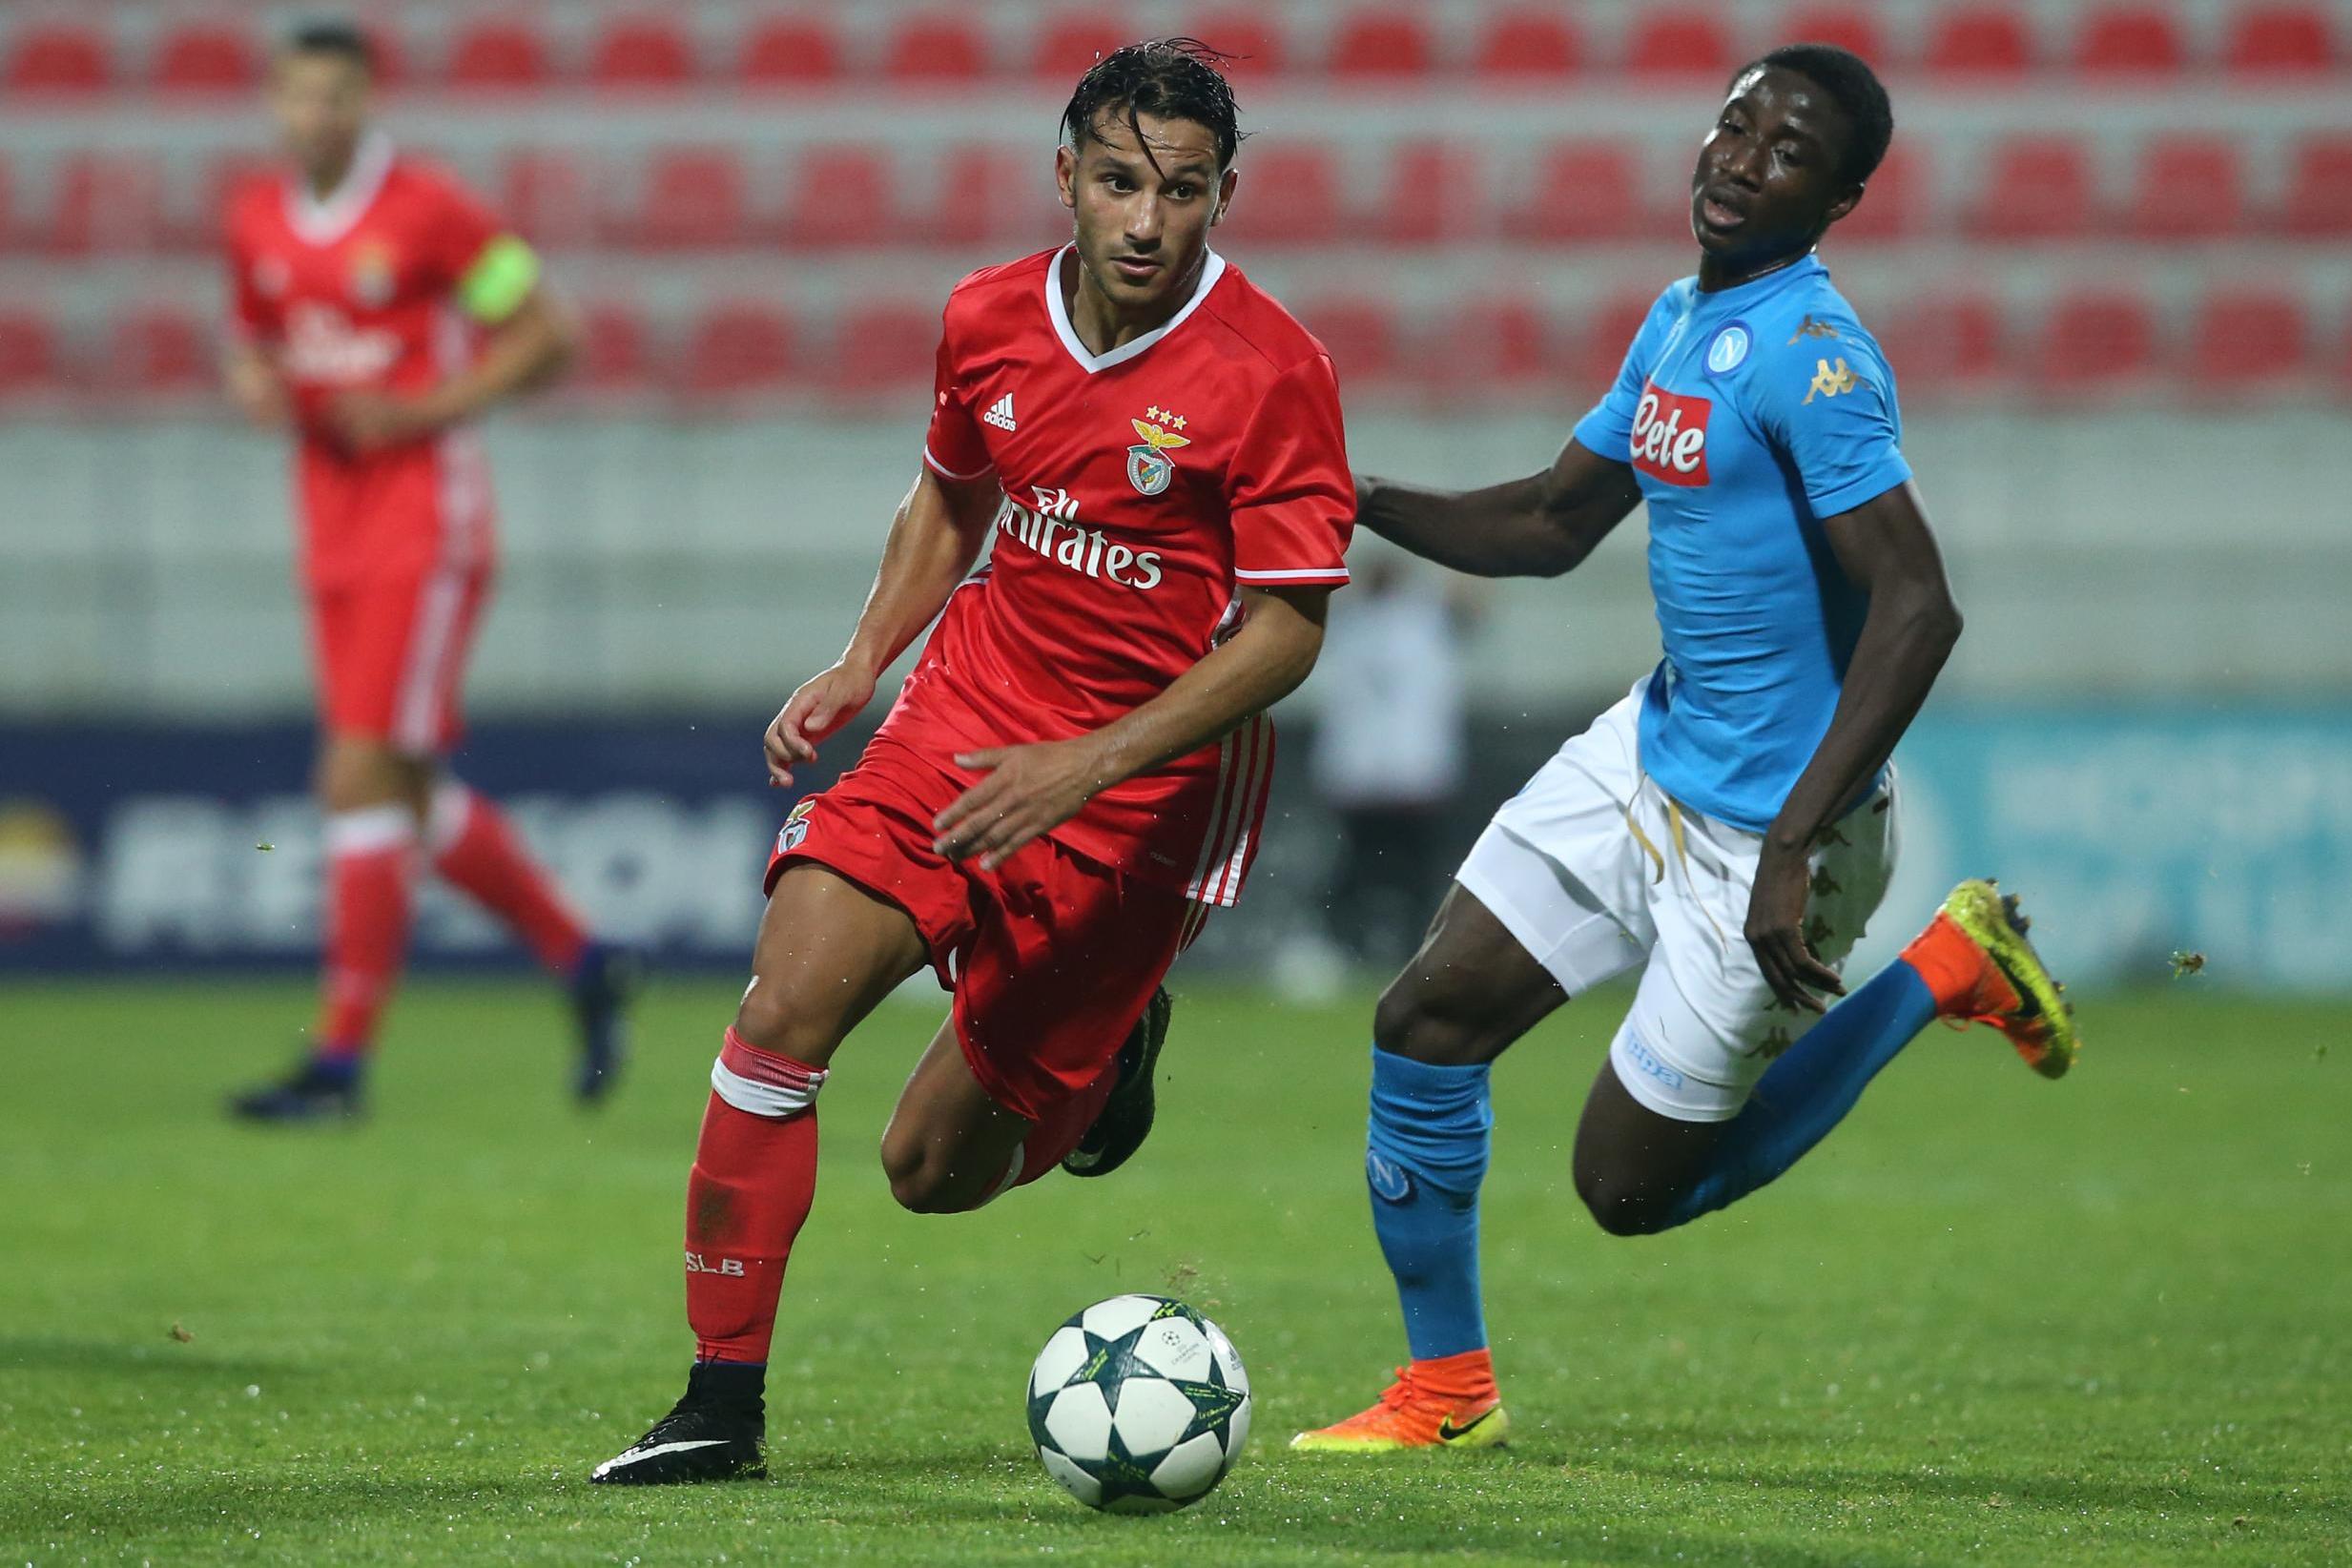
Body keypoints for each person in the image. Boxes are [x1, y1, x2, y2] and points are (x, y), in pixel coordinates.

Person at [1291, 44, 2080, 1454]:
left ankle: (1942, 969)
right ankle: (1443, 1389)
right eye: (1733, 124)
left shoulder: (1813, 355)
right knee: (1423, 1026)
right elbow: (1544, 524)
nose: (1737, 160)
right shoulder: (1676, 317)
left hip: (1779, 833)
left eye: (1785, 151)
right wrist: (1342, 496)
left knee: (1626, 1193)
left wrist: (1789, 845)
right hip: (1645, 760)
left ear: (1838, 200)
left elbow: (1917, 604)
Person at [591, 40, 1352, 1485]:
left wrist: (1086, 767)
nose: (1145, 220)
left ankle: (1110, 1052)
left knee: (928, 1176)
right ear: (1064, 172)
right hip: (960, 718)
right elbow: (950, 503)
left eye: (1181, 192)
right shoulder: (987, 316)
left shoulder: (1272, 372)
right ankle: (717, 1405)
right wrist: (863, 659)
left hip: (1141, 793)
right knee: (783, 1007)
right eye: (1120, 182)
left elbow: (1285, 637)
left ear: (1221, 197)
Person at [219, 22, 632, 1121]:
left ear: (365, 101)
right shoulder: (254, 215)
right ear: (275, 102)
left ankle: (341, 1064)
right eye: (300, 97)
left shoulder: (431, 207)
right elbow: (255, 335)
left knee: (354, 777)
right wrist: (255, 379)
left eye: (338, 96)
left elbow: (548, 332)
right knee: (402, 787)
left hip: (422, 524)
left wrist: (419, 411)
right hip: (328, 524)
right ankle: (584, 961)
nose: (319, 116)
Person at [1309, 555, 1475, 968]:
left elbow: (1472, 598)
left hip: (1414, 768)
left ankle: (1417, 949)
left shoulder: (1427, 615)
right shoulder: (1350, 618)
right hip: (1360, 770)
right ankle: (1344, 949)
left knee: (1419, 872)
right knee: (1354, 871)